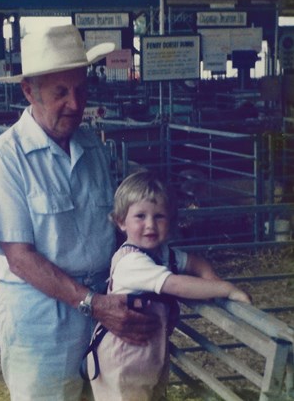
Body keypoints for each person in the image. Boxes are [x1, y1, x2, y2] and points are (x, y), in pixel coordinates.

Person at [0, 24, 160, 400]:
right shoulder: (4, 156)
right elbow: (20, 258)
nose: (75, 105)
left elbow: (115, 227)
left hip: (104, 307)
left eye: (80, 90)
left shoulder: (91, 145)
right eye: (61, 92)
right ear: (29, 90)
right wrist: (96, 305)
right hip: (43, 323)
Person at [88, 170, 251, 401]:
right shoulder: (132, 261)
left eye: (159, 216)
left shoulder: (163, 253)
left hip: (148, 353)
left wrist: (210, 277)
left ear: (171, 220)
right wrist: (226, 289)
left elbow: (194, 262)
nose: (150, 225)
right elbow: (176, 284)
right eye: (140, 216)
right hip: (123, 361)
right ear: (121, 221)